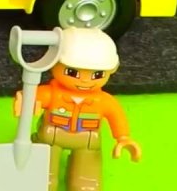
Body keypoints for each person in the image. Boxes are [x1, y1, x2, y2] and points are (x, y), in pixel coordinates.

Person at [13, 27, 141, 191]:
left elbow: (116, 115)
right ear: (53, 63)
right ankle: (44, 178)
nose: (85, 80)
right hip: (52, 138)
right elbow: (32, 95)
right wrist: (24, 99)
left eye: (97, 75)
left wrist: (123, 137)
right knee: (44, 179)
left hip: (87, 142)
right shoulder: (52, 94)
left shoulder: (103, 101)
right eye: (72, 72)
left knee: (86, 183)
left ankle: (83, 180)